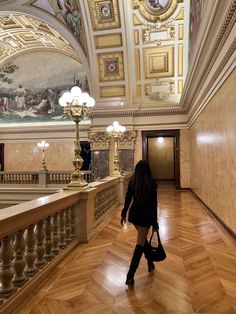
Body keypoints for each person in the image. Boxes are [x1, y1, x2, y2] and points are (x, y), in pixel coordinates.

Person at [121, 160, 159, 285]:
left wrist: (124, 213)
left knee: (142, 241)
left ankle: (150, 262)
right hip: (145, 216)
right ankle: (130, 275)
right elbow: (154, 205)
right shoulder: (152, 184)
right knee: (140, 243)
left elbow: (127, 198)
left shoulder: (133, 182)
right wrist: (155, 223)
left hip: (135, 215)